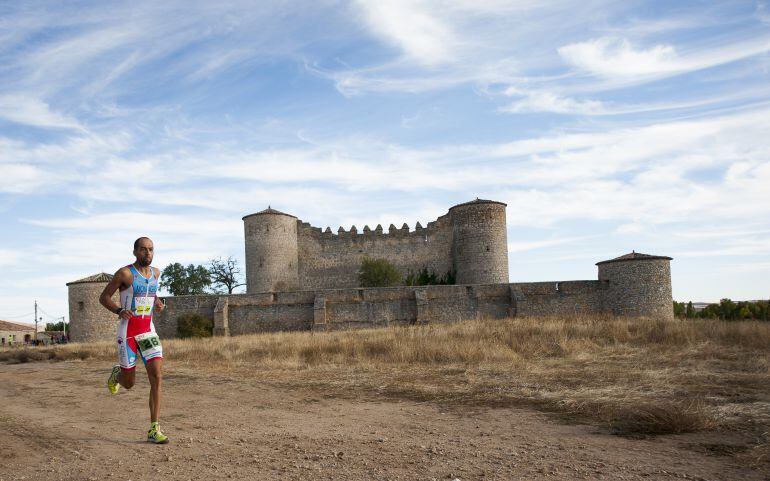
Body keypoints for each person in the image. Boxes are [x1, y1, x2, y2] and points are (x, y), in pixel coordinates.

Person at [99, 236, 168, 444]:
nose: (148, 253)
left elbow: (151, 294)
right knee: (129, 384)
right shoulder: (125, 274)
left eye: (151, 249)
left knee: (156, 376)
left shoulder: (156, 273)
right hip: (128, 333)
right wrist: (119, 310)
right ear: (135, 252)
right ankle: (118, 375)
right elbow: (104, 297)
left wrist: (158, 303)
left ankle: (154, 429)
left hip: (148, 332)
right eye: (143, 249)